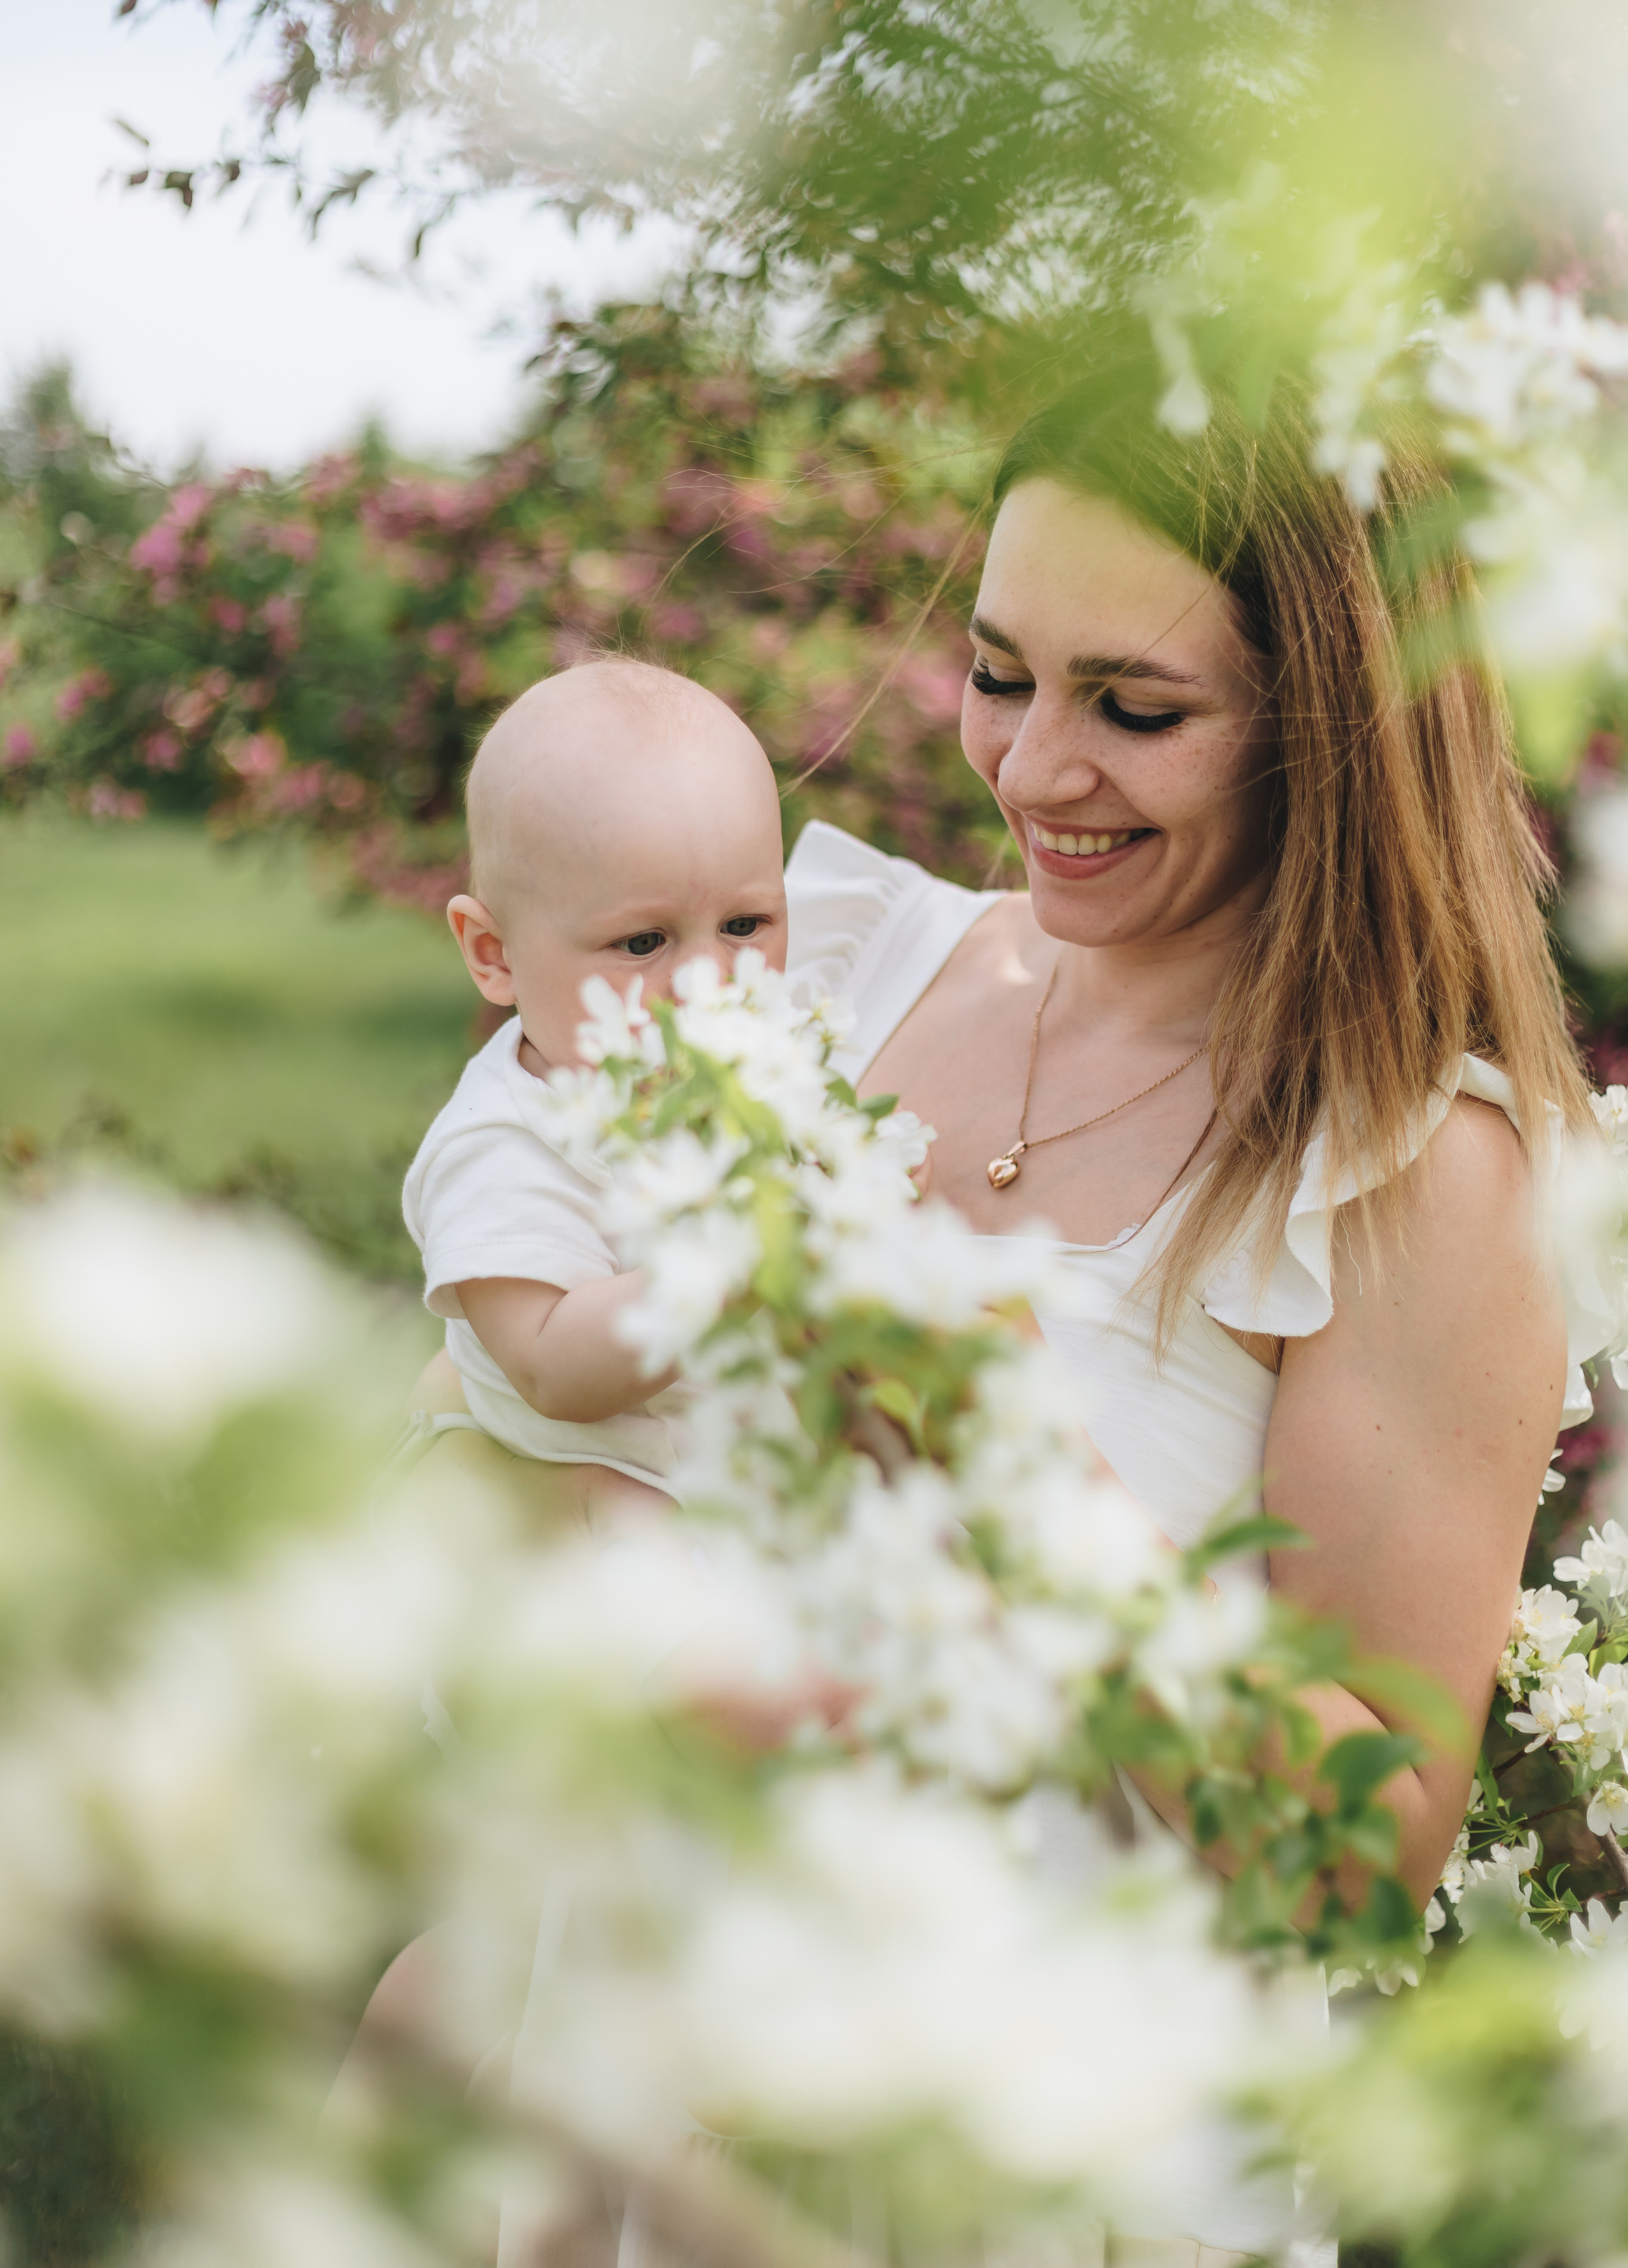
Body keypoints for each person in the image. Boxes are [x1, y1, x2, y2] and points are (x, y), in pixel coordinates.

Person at [787, 348, 1610, 1963]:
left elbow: (1352, 1864)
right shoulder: (832, 962)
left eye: (1134, 707)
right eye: (999, 673)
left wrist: (1016, 1457)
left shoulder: (1404, 1181)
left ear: (1332, 732)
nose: (1030, 772)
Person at [401, 656, 789, 1509]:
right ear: (493, 956)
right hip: (599, 1501)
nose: (709, 984)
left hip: (744, 1483)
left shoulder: (757, 1078)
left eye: (745, 925)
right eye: (644, 944)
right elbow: (548, 1366)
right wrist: (730, 1270)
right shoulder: (505, 1141)